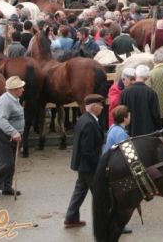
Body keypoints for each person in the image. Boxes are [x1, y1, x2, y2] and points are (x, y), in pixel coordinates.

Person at [64, 94, 106, 229]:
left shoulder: (84, 119)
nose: (102, 107)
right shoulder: (89, 123)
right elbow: (88, 150)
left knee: (80, 191)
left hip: (83, 165)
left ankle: (71, 218)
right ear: (94, 107)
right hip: (89, 167)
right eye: (100, 105)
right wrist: (99, 164)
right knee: (101, 194)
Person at [120, 65, 161, 136]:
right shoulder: (151, 93)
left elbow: (121, 112)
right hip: (147, 132)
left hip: (130, 131)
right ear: (147, 77)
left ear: (135, 75)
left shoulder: (124, 92)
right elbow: (156, 115)